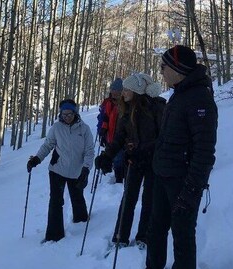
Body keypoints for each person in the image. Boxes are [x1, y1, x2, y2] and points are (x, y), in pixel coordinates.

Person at [142, 45, 218, 269]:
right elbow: (168, 139)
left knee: (182, 237)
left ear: (178, 69)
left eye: (164, 66)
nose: (160, 70)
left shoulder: (199, 98)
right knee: (155, 230)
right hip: (162, 176)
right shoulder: (179, 94)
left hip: (182, 182)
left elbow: (204, 151)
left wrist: (192, 189)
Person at [95, 73, 165, 249]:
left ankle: (144, 236)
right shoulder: (124, 110)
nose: (122, 92)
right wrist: (107, 156)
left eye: (126, 89)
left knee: (149, 200)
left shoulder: (157, 108)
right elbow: (119, 138)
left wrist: (147, 149)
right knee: (128, 199)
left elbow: (164, 136)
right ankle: (120, 237)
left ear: (137, 91)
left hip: (153, 162)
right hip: (133, 161)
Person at [27, 99, 95, 242]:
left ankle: (81, 221)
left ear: (75, 113)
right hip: (57, 169)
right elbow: (47, 145)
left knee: (77, 197)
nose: (66, 117)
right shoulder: (57, 128)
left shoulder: (84, 129)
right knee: (56, 201)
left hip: (77, 171)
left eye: (69, 114)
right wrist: (36, 159)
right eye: (64, 114)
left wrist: (86, 169)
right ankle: (54, 234)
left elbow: (89, 151)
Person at [97, 78, 125, 183]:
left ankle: (119, 179)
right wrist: (103, 130)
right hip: (110, 136)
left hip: (120, 137)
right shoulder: (109, 103)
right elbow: (106, 117)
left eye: (115, 90)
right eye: (112, 89)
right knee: (114, 157)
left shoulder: (124, 104)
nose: (112, 92)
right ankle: (117, 176)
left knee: (119, 157)